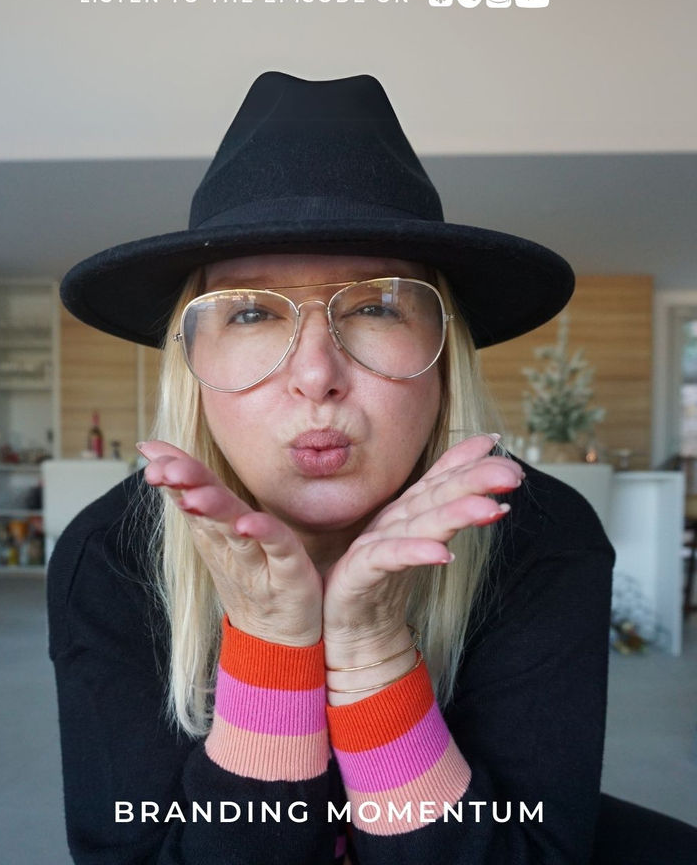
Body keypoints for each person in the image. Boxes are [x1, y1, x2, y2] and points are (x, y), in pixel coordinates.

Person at [48, 72, 697, 864]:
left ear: (443, 360)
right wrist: (271, 648)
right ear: (192, 363)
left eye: (376, 306)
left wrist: (374, 658)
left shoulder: (540, 532)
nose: (317, 372)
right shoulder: (109, 551)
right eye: (251, 311)